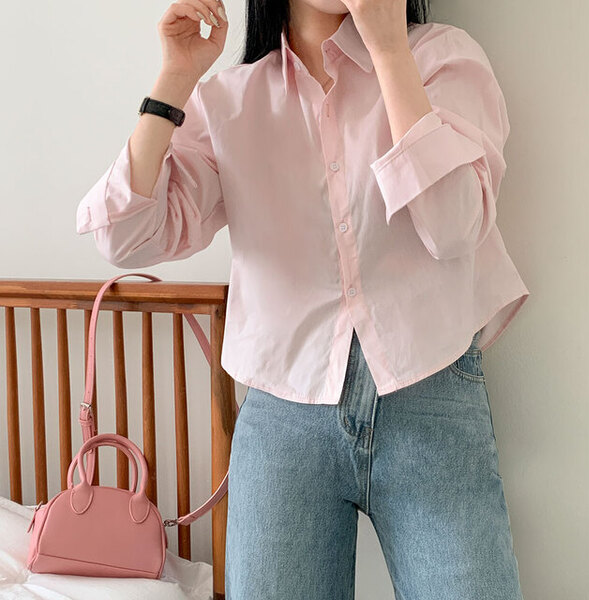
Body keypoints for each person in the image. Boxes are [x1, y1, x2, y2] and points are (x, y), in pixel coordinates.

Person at [75, 0, 530, 598]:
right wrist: (176, 79)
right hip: (284, 413)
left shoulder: (442, 58)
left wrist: (389, 49)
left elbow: (453, 229)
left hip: (431, 394)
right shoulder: (231, 100)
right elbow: (124, 237)